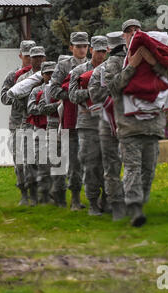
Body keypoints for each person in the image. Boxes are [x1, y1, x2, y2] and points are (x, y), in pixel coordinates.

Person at [106, 19, 168, 227]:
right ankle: (135, 208)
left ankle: (140, 202)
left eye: (136, 30)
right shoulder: (114, 62)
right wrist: (132, 66)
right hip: (129, 126)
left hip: (153, 126)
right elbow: (112, 87)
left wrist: (153, 63)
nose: (132, 34)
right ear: (123, 37)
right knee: (132, 168)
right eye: (128, 32)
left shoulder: (156, 53)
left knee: (148, 170)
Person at [88, 31, 127, 221]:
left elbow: (94, 95)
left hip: (107, 123)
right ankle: (127, 202)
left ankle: (116, 204)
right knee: (130, 164)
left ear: (109, 48)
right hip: (129, 120)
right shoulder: (134, 66)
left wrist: (110, 97)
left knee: (111, 166)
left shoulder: (100, 70)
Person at [49, 32, 90, 210]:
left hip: (90, 118)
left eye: (84, 46)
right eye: (78, 46)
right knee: (72, 161)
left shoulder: (94, 64)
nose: (82, 49)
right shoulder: (64, 65)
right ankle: (73, 198)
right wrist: (72, 96)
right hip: (70, 118)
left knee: (88, 160)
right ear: (71, 47)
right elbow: (53, 90)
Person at [69, 35, 109, 215]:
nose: (100, 54)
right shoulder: (79, 71)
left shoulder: (111, 69)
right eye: (97, 50)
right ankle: (92, 202)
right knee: (91, 164)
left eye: (103, 51)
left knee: (109, 163)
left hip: (108, 122)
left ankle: (107, 199)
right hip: (87, 124)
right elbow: (72, 95)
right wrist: (92, 91)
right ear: (91, 50)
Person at [0, 40, 36, 206]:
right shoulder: (13, 75)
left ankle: (39, 192)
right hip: (18, 124)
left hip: (36, 122)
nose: (29, 59)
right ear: (20, 55)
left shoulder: (42, 74)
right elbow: (4, 98)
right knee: (20, 160)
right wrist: (18, 87)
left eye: (32, 55)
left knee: (39, 159)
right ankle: (24, 193)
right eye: (26, 55)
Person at [16, 46, 47, 206]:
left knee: (44, 159)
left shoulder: (49, 76)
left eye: (41, 57)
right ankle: (31, 193)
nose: (38, 60)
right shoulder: (23, 79)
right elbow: (16, 101)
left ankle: (45, 194)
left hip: (45, 124)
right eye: (35, 57)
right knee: (28, 159)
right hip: (27, 122)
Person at [26, 61, 56, 204]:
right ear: (42, 75)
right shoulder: (36, 90)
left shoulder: (57, 89)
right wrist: (49, 108)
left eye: (53, 72)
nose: (50, 76)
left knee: (56, 164)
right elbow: (31, 108)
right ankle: (43, 195)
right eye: (47, 73)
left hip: (56, 129)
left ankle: (54, 194)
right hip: (41, 130)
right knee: (42, 163)